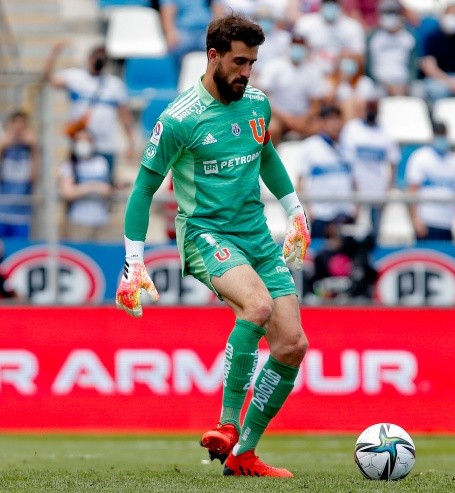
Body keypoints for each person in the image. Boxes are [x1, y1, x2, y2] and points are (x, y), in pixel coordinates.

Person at [114, 14, 311, 478]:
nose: (247, 72)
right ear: (213, 56)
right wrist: (133, 260)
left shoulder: (257, 104)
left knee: (292, 345)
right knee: (257, 307)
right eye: (239, 62)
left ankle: (244, 454)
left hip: (256, 235)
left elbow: (266, 155)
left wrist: (295, 209)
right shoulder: (179, 119)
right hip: (206, 235)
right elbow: (143, 190)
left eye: (252, 63)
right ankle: (226, 423)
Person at [43, 43, 136, 182]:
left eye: (102, 57)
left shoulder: (115, 84)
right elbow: (50, 78)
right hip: (81, 144)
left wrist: (130, 143)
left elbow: (125, 115)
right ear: (89, 58)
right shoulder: (75, 77)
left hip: (106, 145)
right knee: (77, 182)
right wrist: (54, 53)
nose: (99, 60)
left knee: (105, 184)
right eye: (96, 56)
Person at [340, 97, 399, 238]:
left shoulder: (385, 133)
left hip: (377, 190)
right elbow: (346, 161)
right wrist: (353, 186)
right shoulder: (352, 129)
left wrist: (388, 190)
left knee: (375, 234)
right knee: (351, 233)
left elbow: (393, 162)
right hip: (355, 189)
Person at [297, 104, 356, 238]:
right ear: (321, 122)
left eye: (338, 119)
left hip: (344, 214)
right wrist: (308, 212)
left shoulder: (347, 146)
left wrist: (355, 209)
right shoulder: (310, 146)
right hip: (320, 214)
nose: (335, 124)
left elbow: (354, 180)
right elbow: (301, 182)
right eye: (331, 120)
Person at [258, 34, 329, 144]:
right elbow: (262, 97)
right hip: (278, 116)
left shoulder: (313, 69)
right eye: (295, 45)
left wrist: (305, 118)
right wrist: (286, 118)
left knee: (321, 128)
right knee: (271, 129)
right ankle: (272, 155)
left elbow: (316, 102)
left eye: (301, 46)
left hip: (303, 118)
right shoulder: (274, 66)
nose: (298, 49)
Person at [405, 122, 455, 241]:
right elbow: (412, 191)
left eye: (443, 135)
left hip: (447, 222)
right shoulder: (420, 157)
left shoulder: (454, 160)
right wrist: (415, 220)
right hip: (426, 221)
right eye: (439, 135)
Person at [59, 129, 114, 241]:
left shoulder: (101, 163)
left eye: (87, 140)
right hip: (78, 221)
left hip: (101, 220)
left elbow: (109, 189)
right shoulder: (69, 165)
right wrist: (93, 187)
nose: (83, 144)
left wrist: (81, 189)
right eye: (80, 140)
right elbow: (68, 192)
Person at [294, 0, 366, 75]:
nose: (330, 6)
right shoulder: (306, 23)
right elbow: (295, 50)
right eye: (327, 2)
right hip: (311, 73)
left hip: (341, 75)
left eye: (334, 3)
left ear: (341, 4)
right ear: (320, 4)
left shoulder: (353, 27)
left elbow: (359, 56)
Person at [0, 111, 39, 239]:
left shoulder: (29, 150)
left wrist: (34, 149)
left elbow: (34, 178)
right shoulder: (5, 148)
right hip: (2, 212)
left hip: (22, 215)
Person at [367, 0, 416, 96]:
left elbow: (414, 65)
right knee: (373, 92)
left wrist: (406, 84)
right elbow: (368, 67)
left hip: (404, 81)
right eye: (386, 13)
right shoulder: (373, 36)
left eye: (392, 13)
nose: (389, 17)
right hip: (380, 83)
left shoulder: (410, 36)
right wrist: (385, 84)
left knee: (418, 91)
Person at [160, 0, 224, 64]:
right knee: (175, 47)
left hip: (205, 32)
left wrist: (217, 31)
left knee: (221, 48)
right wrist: (170, 32)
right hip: (183, 32)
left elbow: (218, 8)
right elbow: (167, 9)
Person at [328, 51, 378, 120]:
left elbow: (368, 104)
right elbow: (330, 103)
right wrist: (339, 82)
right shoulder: (341, 85)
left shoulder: (365, 82)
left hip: (363, 118)